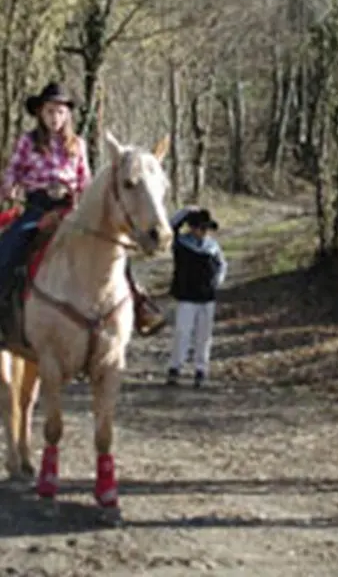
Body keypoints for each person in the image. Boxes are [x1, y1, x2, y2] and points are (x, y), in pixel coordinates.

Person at [0, 81, 166, 336]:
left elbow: (85, 182)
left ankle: (140, 303)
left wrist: (76, 207)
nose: (55, 117)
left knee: (113, 247)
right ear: (40, 113)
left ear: (67, 115)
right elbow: (13, 171)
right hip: (36, 207)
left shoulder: (77, 144)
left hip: (71, 208)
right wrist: (9, 187)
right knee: (9, 246)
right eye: (49, 111)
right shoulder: (28, 142)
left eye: (60, 112)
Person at [166, 206, 227, 388]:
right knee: (182, 333)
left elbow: (222, 265)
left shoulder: (212, 246)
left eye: (206, 228)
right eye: (200, 227)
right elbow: (169, 228)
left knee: (204, 335)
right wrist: (185, 212)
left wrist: (217, 281)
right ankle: (175, 367)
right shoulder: (181, 243)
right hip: (186, 297)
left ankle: (201, 369)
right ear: (192, 227)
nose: (203, 231)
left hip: (207, 297)